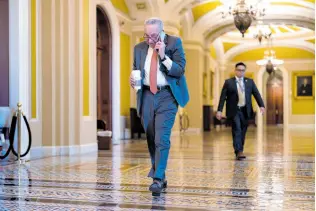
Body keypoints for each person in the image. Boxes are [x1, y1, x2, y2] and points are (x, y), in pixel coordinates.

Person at [129, 17, 189, 196]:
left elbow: (179, 70)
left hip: (167, 95)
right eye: (146, 36)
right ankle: (160, 174)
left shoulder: (174, 42)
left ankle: (157, 178)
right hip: (146, 94)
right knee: (151, 135)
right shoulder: (138, 48)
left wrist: (163, 56)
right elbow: (136, 69)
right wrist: (133, 81)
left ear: (161, 32)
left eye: (153, 36)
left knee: (161, 137)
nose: (149, 40)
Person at [216, 62, 265, 160]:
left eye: (243, 70)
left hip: (245, 110)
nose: (241, 72)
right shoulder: (229, 82)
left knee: (243, 130)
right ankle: (239, 151)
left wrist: (261, 106)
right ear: (235, 70)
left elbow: (256, 94)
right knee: (237, 129)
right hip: (234, 110)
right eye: (239, 70)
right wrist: (219, 110)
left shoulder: (249, 82)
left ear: (244, 71)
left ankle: (239, 149)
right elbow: (222, 98)